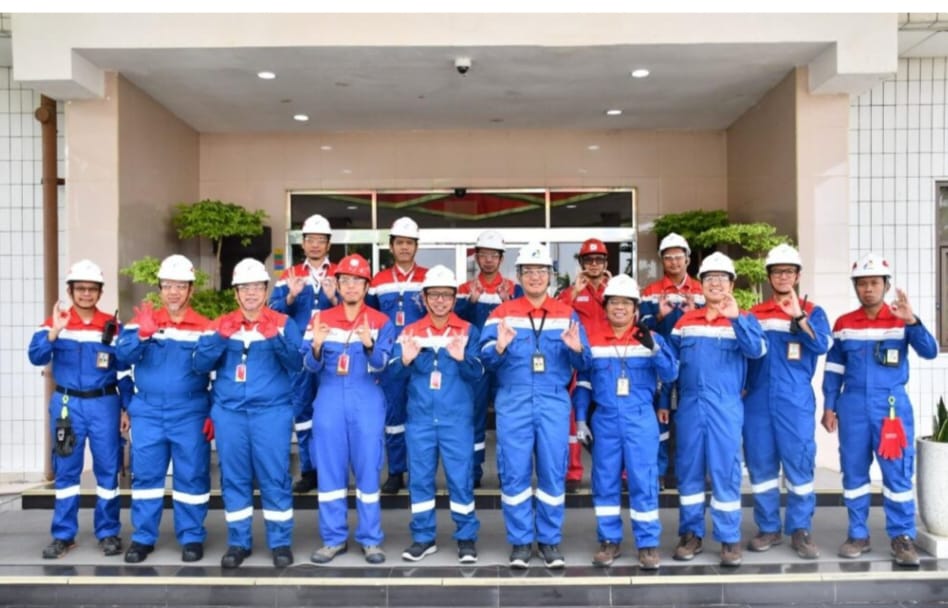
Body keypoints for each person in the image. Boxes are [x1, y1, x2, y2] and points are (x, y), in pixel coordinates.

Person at [821, 253, 938, 567]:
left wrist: (913, 322)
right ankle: (858, 534)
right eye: (862, 283)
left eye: (874, 282)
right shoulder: (844, 324)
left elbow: (930, 351)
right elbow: (834, 368)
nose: (868, 288)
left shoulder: (901, 319)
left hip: (891, 409)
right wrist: (829, 406)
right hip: (852, 406)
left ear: (886, 285)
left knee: (897, 473)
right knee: (854, 471)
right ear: (856, 287)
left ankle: (902, 537)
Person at [479, 242, 590, 570]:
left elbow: (585, 363)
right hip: (513, 400)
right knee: (514, 473)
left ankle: (549, 540)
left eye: (541, 271)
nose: (535, 277)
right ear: (519, 276)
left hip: (553, 400)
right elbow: (484, 358)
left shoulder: (566, 314)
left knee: (553, 472)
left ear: (550, 276)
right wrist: (499, 347)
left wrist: (576, 350)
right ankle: (520, 541)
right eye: (528, 271)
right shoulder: (502, 313)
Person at [193, 258, 302, 569]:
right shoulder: (220, 323)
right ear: (235, 293)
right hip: (230, 414)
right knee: (234, 478)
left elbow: (297, 364)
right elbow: (200, 365)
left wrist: (275, 339)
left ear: (266, 291)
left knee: (275, 477)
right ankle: (239, 542)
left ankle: (280, 542)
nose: (251, 293)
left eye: (256, 287)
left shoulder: (283, 323)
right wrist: (219, 338)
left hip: (271, 413)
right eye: (244, 287)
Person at [665, 252, 766, 568]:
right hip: (690, 406)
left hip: (725, 407)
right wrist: (663, 403)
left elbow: (757, 352)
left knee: (726, 471)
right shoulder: (685, 322)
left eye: (722, 278)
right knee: (689, 471)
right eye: (710, 278)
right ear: (701, 284)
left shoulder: (744, 319)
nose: (716, 283)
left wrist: (736, 319)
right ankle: (691, 534)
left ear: (732, 284)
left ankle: (728, 537)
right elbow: (669, 366)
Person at [28, 259, 132, 559]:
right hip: (67, 406)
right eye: (80, 288)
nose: (86, 293)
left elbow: (124, 371)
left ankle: (108, 532)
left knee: (108, 470)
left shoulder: (114, 327)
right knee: (66, 470)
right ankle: (63, 535)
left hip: (104, 405)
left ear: (100, 292)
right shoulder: (54, 323)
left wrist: (126, 408)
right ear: (70, 291)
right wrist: (54, 332)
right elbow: (35, 356)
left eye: (92, 289)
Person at [574, 274, 677, 570]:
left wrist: (654, 349)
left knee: (643, 481)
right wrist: (581, 419)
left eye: (626, 303)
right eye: (614, 302)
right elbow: (584, 383)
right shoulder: (592, 339)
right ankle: (609, 541)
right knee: (604, 481)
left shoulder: (651, 338)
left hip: (640, 419)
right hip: (605, 420)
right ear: (605, 307)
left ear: (635, 308)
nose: (619, 307)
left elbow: (670, 374)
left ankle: (647, 544)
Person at [116, 254, 213, 564]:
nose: (174, 292)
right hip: (148, 411)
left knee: (192, 475)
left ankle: (192, 536)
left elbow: (217, 373)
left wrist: (213, 412)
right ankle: (143, 538)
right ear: (159, 288)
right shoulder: (141, 322)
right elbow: (122, 358)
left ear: (191, 290)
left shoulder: (205, 327)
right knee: (146, 476)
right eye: (168, 285)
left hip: (190, 411)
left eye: (181, 286)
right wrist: (142, 335)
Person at [306, 254, 396, 565]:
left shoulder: (381, 322)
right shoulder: (320, 319)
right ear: (337, 284)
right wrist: (316, 346)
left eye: (358, 281)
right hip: (329, 398)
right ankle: (333, 539)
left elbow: (383, 364)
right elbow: (308, 365)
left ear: (367, 286)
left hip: (366, 398)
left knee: (368, 470)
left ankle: (370, 539)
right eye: (345, 280)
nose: (351, 286)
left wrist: (369, 344)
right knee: (330, 471)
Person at [389, 265, 483, 563]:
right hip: (420, 420)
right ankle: (423, 538)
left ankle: (466, 538)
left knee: (461, 480)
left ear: (454, 298)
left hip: (456, 420)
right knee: (419, 480)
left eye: (446, 295)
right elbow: (391, 375)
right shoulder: (410, 332)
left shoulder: (467, 330)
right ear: (424, 298)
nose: (440, 300)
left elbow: (479, 373)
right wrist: (404, 361)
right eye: (434, 295)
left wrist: (463, 358)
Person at [743, 244, 831, 560]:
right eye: (777, 271)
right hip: (757, 401)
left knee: (799, 462)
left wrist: (800, 317)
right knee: (761, 464)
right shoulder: (755, 314)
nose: (783, 276)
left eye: (789, 271)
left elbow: (823, 345)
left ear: (797, 275)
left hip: (795, 401)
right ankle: (768, 528)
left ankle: (800, 529)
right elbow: (744, 356)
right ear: (769, 276)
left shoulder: (813, 311)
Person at [269, 213, 338, 494]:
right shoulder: (290, 275)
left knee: (331, 410)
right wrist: (290, 296)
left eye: (321, 240)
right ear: (303, 243)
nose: (315, 245)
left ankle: (331, 468)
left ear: (328, 244)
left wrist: (334, 298)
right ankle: (310, 470)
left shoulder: (340, 274)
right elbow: (272, 312)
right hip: (300, 352)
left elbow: (357, 309)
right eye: (310, 239)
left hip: (333, 351)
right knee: (303, 409)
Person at [455, 229, 521, 488]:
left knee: (508, 418)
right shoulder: (465, 289)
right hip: (477, 362)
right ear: (476, 257)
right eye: (484, 255)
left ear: (501, 258)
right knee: (474, 417)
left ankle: (507, 472)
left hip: (505, 361)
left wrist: (508, 302)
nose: (489, 260)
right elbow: (454, 321)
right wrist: (470, 302)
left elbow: (525, 320)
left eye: (494, 255)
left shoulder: (513, 289)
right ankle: (474, 472)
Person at [368, 216, 428, 494]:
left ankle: (420, 471)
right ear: (391, 246)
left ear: (416, 246)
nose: (405, 247)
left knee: (421, 414)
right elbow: (369, 317)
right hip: (391, 358)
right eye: (400, 242)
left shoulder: (428, 278)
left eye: (409, 243)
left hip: (422, 357)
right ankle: (395, 471)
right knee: (393, 415)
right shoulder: (377, 281)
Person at [640, 232, 704, 488]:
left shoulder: (701, 290)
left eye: (678, 257)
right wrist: (658, 315)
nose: (674, 262)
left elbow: (714, 322)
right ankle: (660, 473)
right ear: (661, 261)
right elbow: (640, 328)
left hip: (694, 364)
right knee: (661, 417)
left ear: (687, 259)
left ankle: (690, 473)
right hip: (660, 364)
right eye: (668, 257)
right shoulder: (651, 292)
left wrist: (695, 312)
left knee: (692, 418)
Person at [557, 238, 611, 493]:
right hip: (580, 361)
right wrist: (574, 293)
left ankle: (620, 474)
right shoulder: (570, 292)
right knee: (573, 418)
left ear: (605, 262)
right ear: (581, 263)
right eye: (588, 260)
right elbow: (557, 316)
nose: (594, 264)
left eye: (599, 259)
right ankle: (572, 473)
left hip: (609, 360)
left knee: (611, 414)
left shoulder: (616, 289)